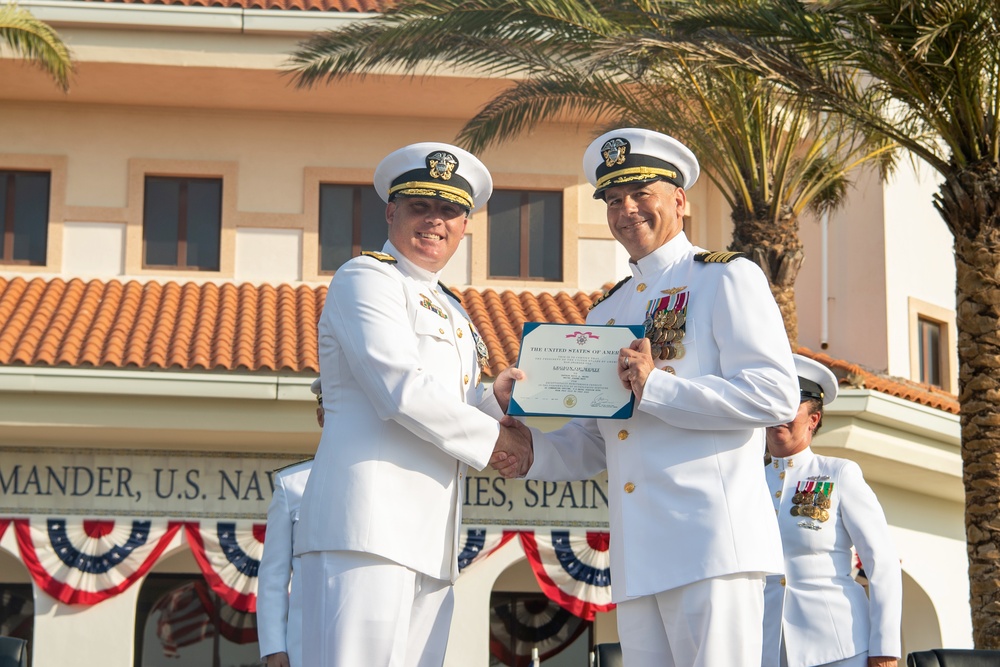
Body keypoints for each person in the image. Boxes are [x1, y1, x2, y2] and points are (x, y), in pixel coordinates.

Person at [496, 127, 800, 667]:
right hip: (639, 552)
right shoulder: (605, 313)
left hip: (711, 545)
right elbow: (596, 441)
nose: (627, 210)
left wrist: (656, 387)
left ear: (679, 201)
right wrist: (529, 450)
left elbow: (774, 396)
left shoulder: (725, 278)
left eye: (641, 194)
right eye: (614, 200)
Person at [295, 141, 531, 667]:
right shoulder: (367, 279)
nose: (435, 222)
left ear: (465, 225)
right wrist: (497, 442)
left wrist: (494, 400)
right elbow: (399, 389)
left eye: (449, 210)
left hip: (429, 537)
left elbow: (446, 398)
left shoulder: (451, 307)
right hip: (366, 529)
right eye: (420, 206)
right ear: (391, 212)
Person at [763, 354, 902, 667]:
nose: (779, 415)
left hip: (839, 647)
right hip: (767, 649)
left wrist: (885, 649)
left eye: (791, 405)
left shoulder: (838, 474)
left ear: (813, 419)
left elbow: (882, 561)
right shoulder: (747, 482)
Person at [257, 378, 323, 667]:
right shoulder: (292, 485)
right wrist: (274, 648)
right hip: (303, 647)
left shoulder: (379, 482)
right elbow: (274, 575)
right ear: (320, 415)